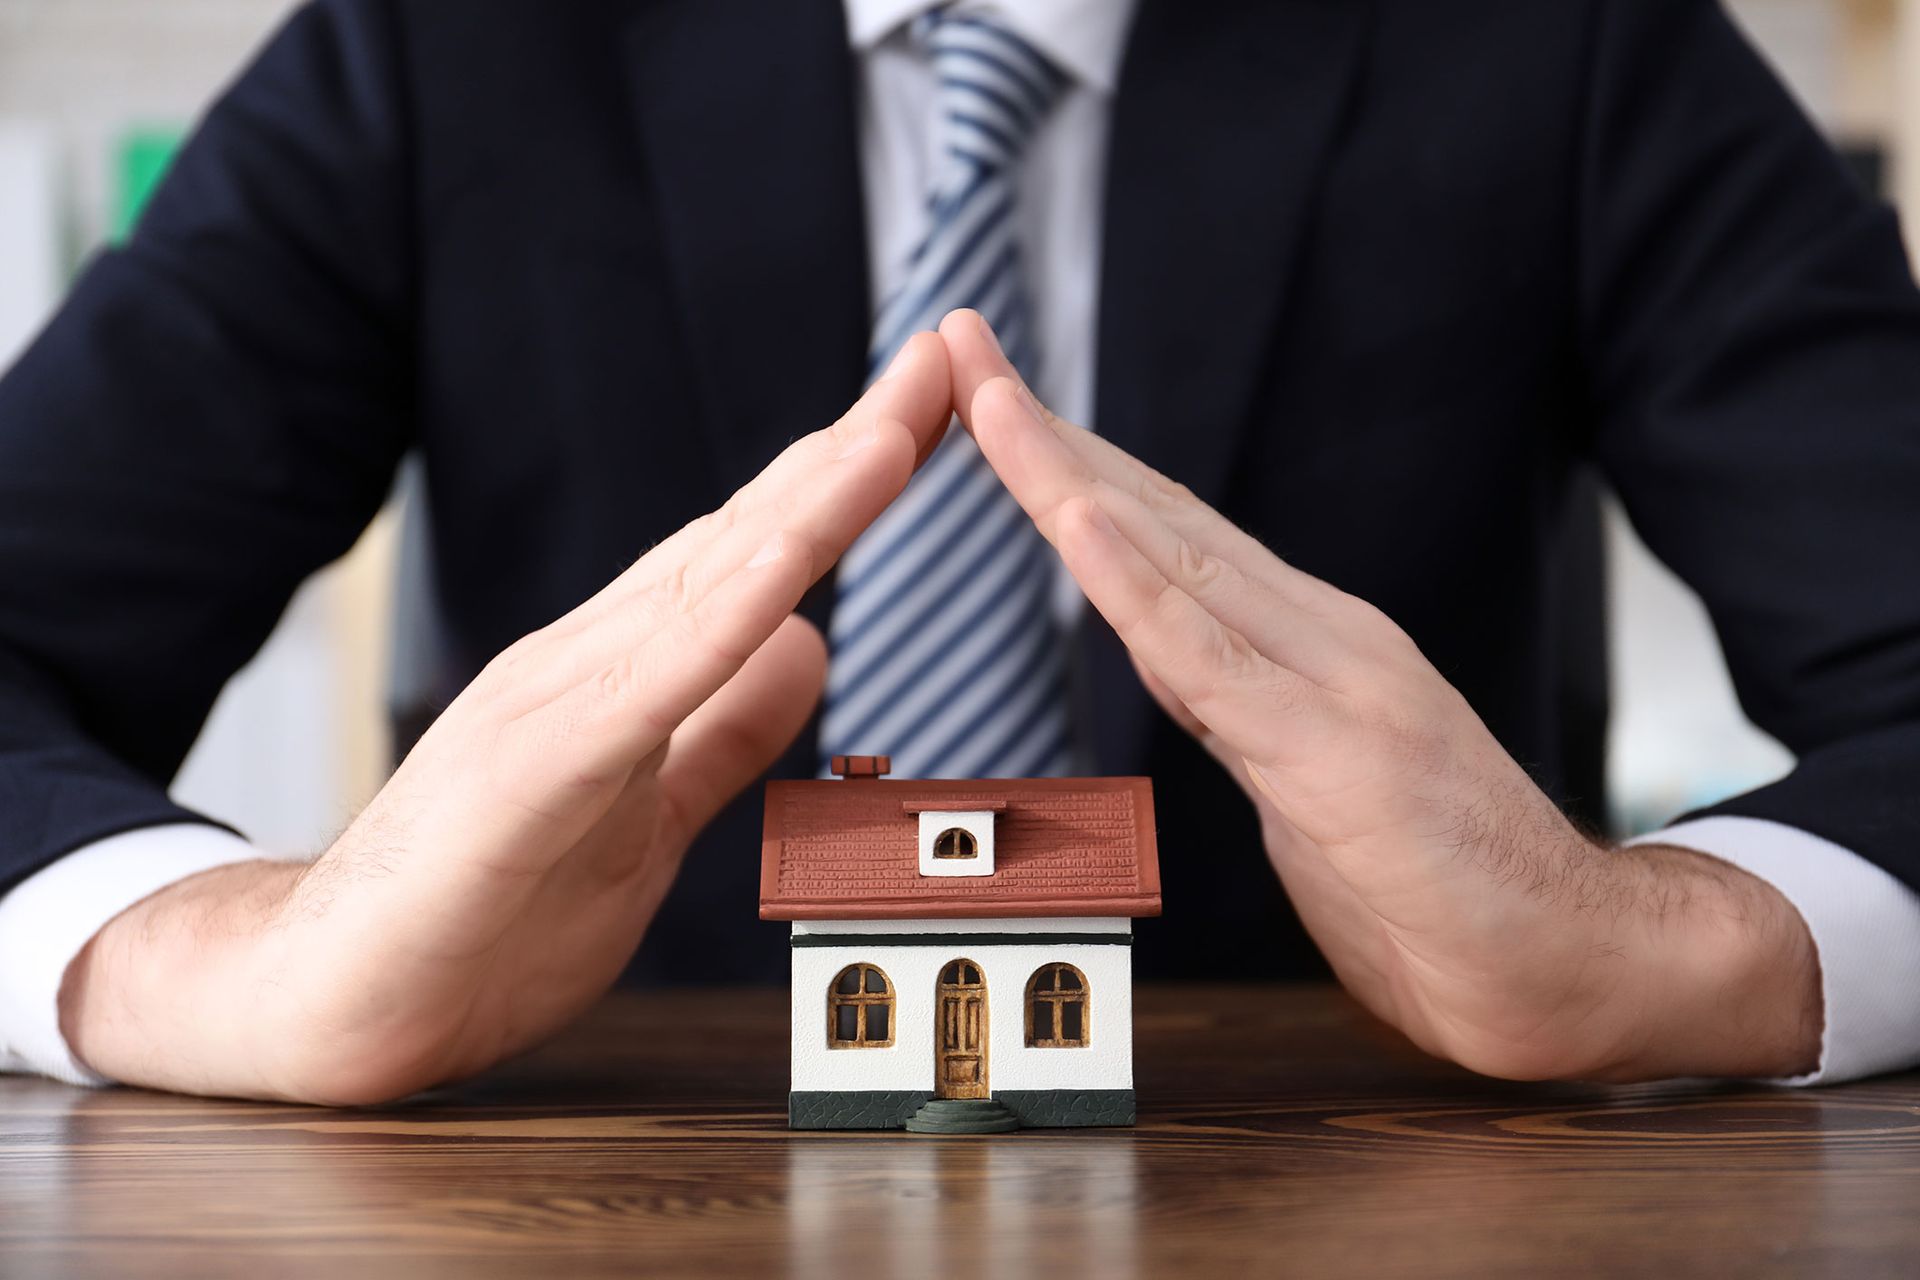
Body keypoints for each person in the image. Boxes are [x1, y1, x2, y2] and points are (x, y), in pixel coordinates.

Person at [2, 0, 1917, 1104]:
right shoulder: (436, 43)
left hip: (1405, 1181)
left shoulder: (1567, 36)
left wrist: (1675, 956)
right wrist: (216, 970)